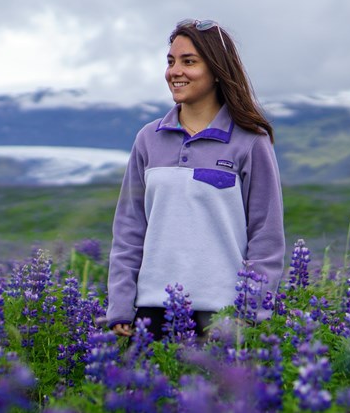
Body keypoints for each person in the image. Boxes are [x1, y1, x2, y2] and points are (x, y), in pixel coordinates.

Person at [106, 19, 285, 340]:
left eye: (189, 62)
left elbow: (266, 236)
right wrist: (121, 304)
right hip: (152, 309)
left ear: (216, 69)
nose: (175, 71)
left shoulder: (249, 141)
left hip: (222, 313)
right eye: (171, 61)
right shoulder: (149, 138)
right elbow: (129, 229)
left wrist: (250, 312)